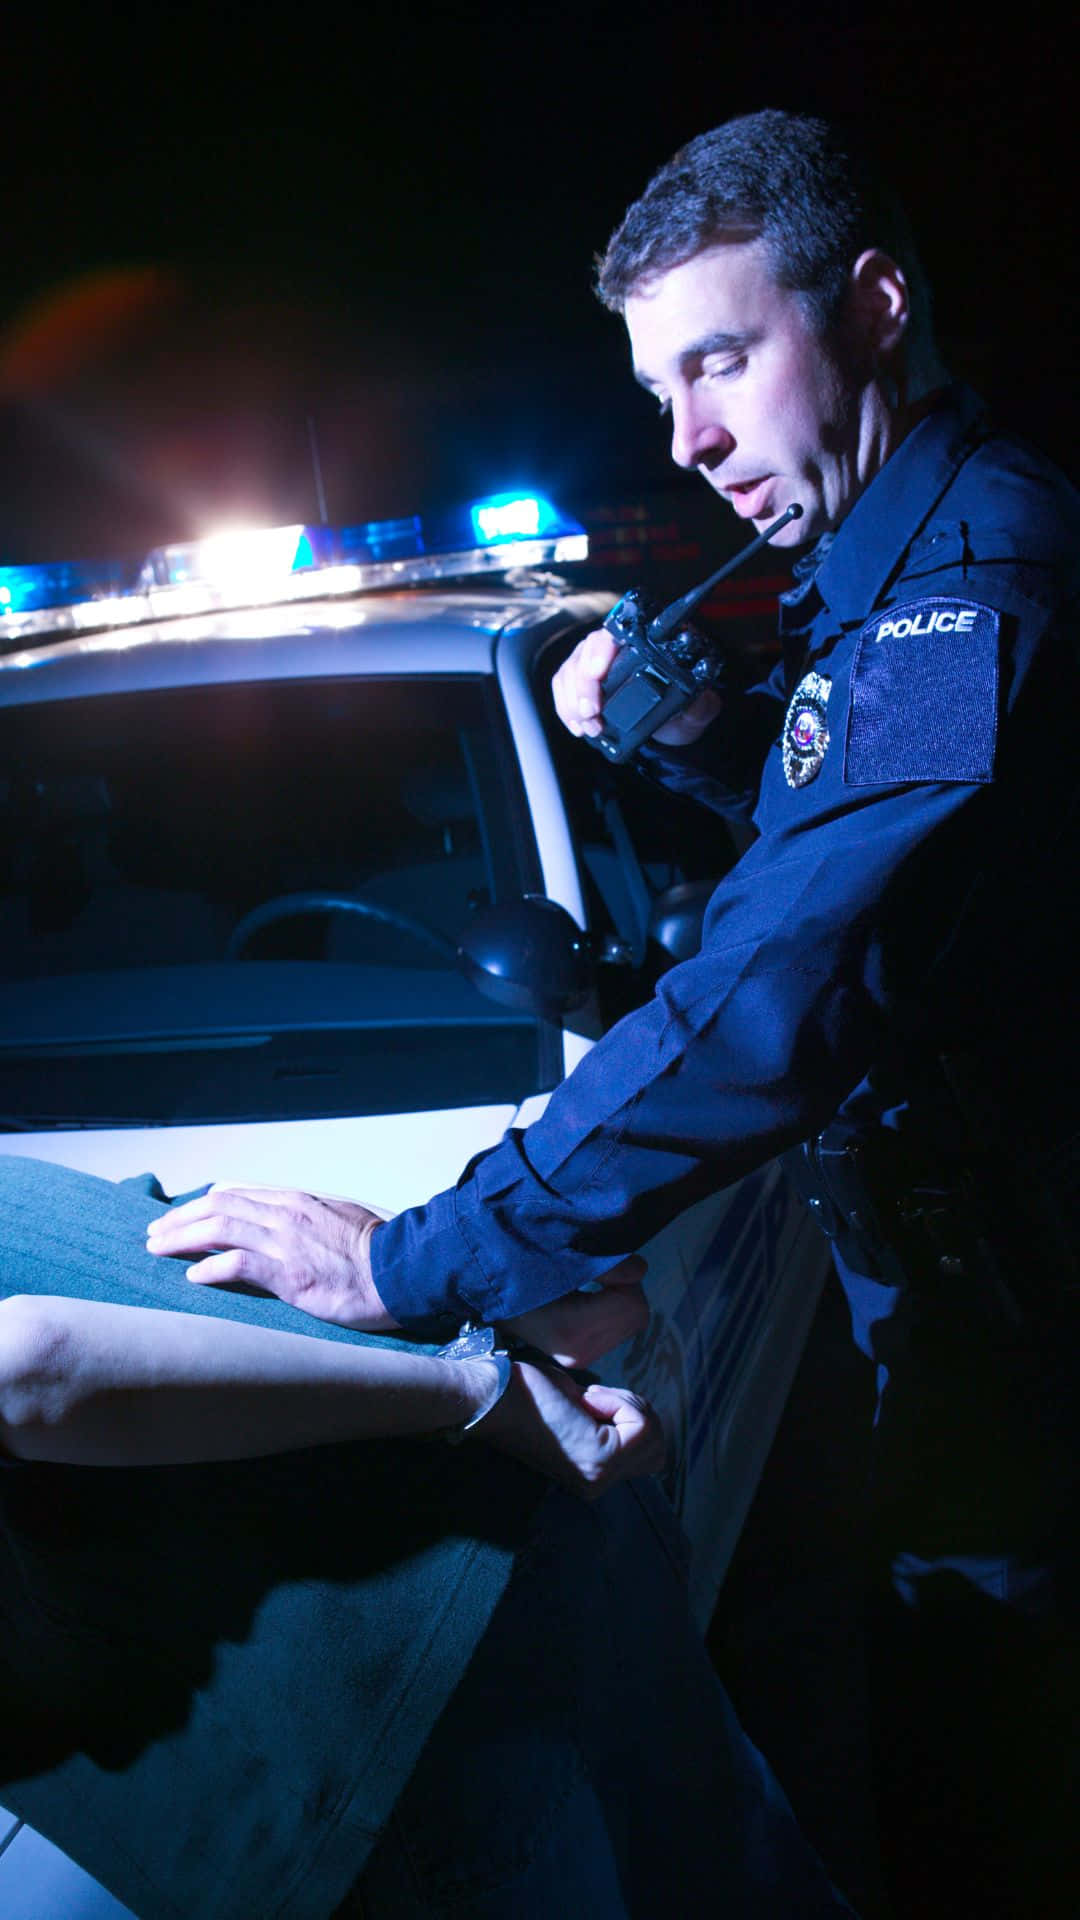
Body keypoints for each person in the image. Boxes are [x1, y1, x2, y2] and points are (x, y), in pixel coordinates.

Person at [144, 111, 1079, 1916]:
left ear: (875, 305)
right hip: (968, 1320)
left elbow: (782, 983)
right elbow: (892, 858)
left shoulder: (970, 582)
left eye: (723, 359)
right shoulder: (889, 561)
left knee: (990, 1800)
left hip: (1021, 1353)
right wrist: (712, 736)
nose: (691, 438)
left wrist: (418, 1259)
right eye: (662, 389)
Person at [0, 1158, 852, 1918]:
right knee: (730, 1863)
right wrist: (472, 1315)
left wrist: (481, 1395)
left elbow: (31, 1364)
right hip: (530, 1528)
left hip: (387, 1691)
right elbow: (145, 1232)